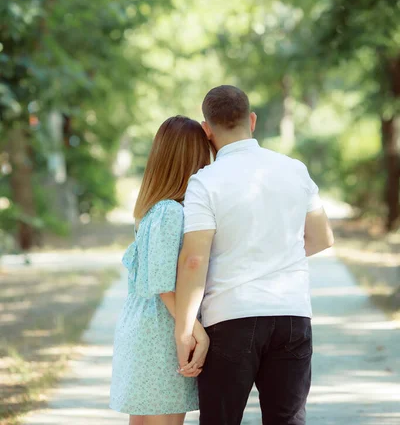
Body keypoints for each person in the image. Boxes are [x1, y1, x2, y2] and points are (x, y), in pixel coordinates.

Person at [175, 85, 334, 425]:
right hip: (291, 314)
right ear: (252, 120)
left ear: (206, 129)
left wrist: (184, 327)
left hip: (231, 318)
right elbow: (322, 238)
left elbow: (193, 260)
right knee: (287, 419)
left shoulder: (205, 182)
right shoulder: (295, 169)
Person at [109, 116, 211, 425]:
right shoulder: (170, 212)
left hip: (146, 326)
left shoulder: (155, 208)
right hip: (161, 330)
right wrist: (196, 332)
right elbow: (163, 283)